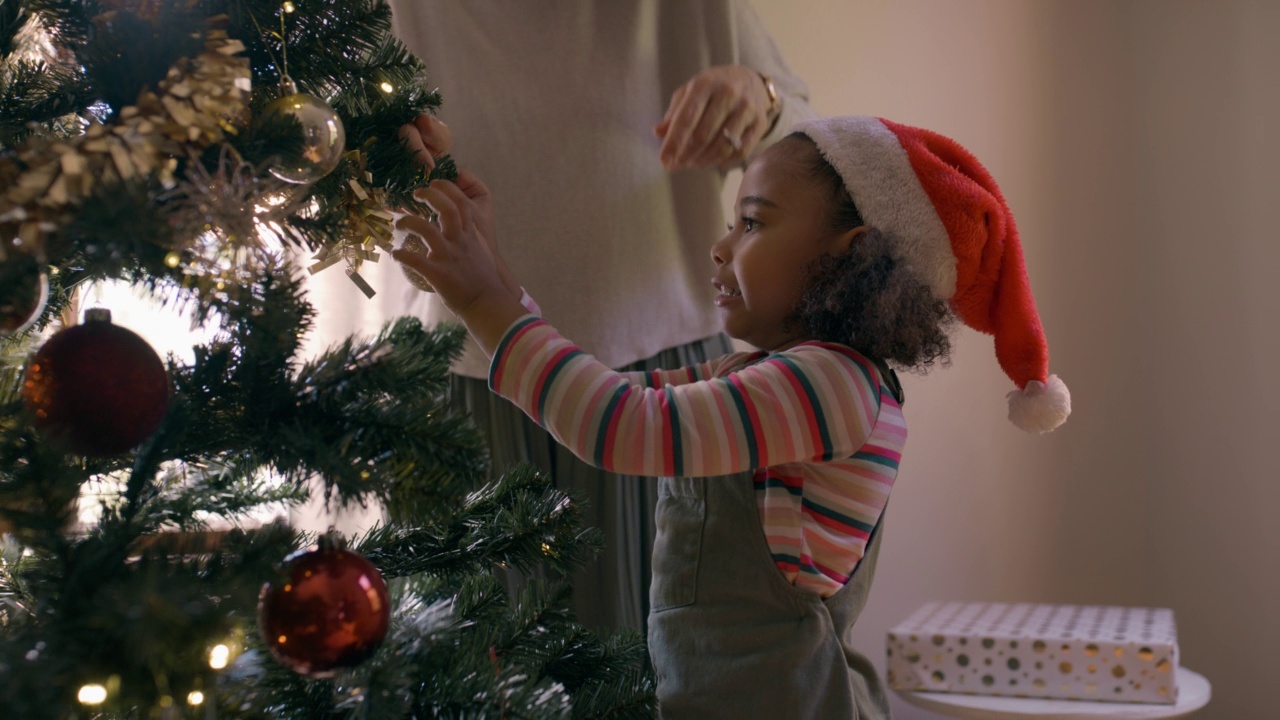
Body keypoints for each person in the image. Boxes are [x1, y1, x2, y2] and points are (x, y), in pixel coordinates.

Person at [391, 114, 1071, 717]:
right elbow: (614, 397)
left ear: (848, 254)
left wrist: (484, 300)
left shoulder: (831, 386)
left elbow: (622, 426)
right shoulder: (785, 379)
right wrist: (494, 273)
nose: (720, 247)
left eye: (752, 222)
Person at [389, 0, 818, 633]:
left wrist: (765, 98)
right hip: (456, 373)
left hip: (664, 370)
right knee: (467, 667)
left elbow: (813, 148)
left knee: (654, 661)